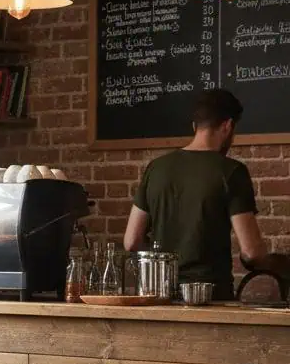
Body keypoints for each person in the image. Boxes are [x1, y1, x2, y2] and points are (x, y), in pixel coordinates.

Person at [124, 88, 290, 300]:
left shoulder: (155, 169)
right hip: (209, 297)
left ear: (194, 126)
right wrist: (278, 264)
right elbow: (252, 253)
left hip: (159, 297)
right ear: (228, 126)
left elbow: (131, 242)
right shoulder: (231, 172)